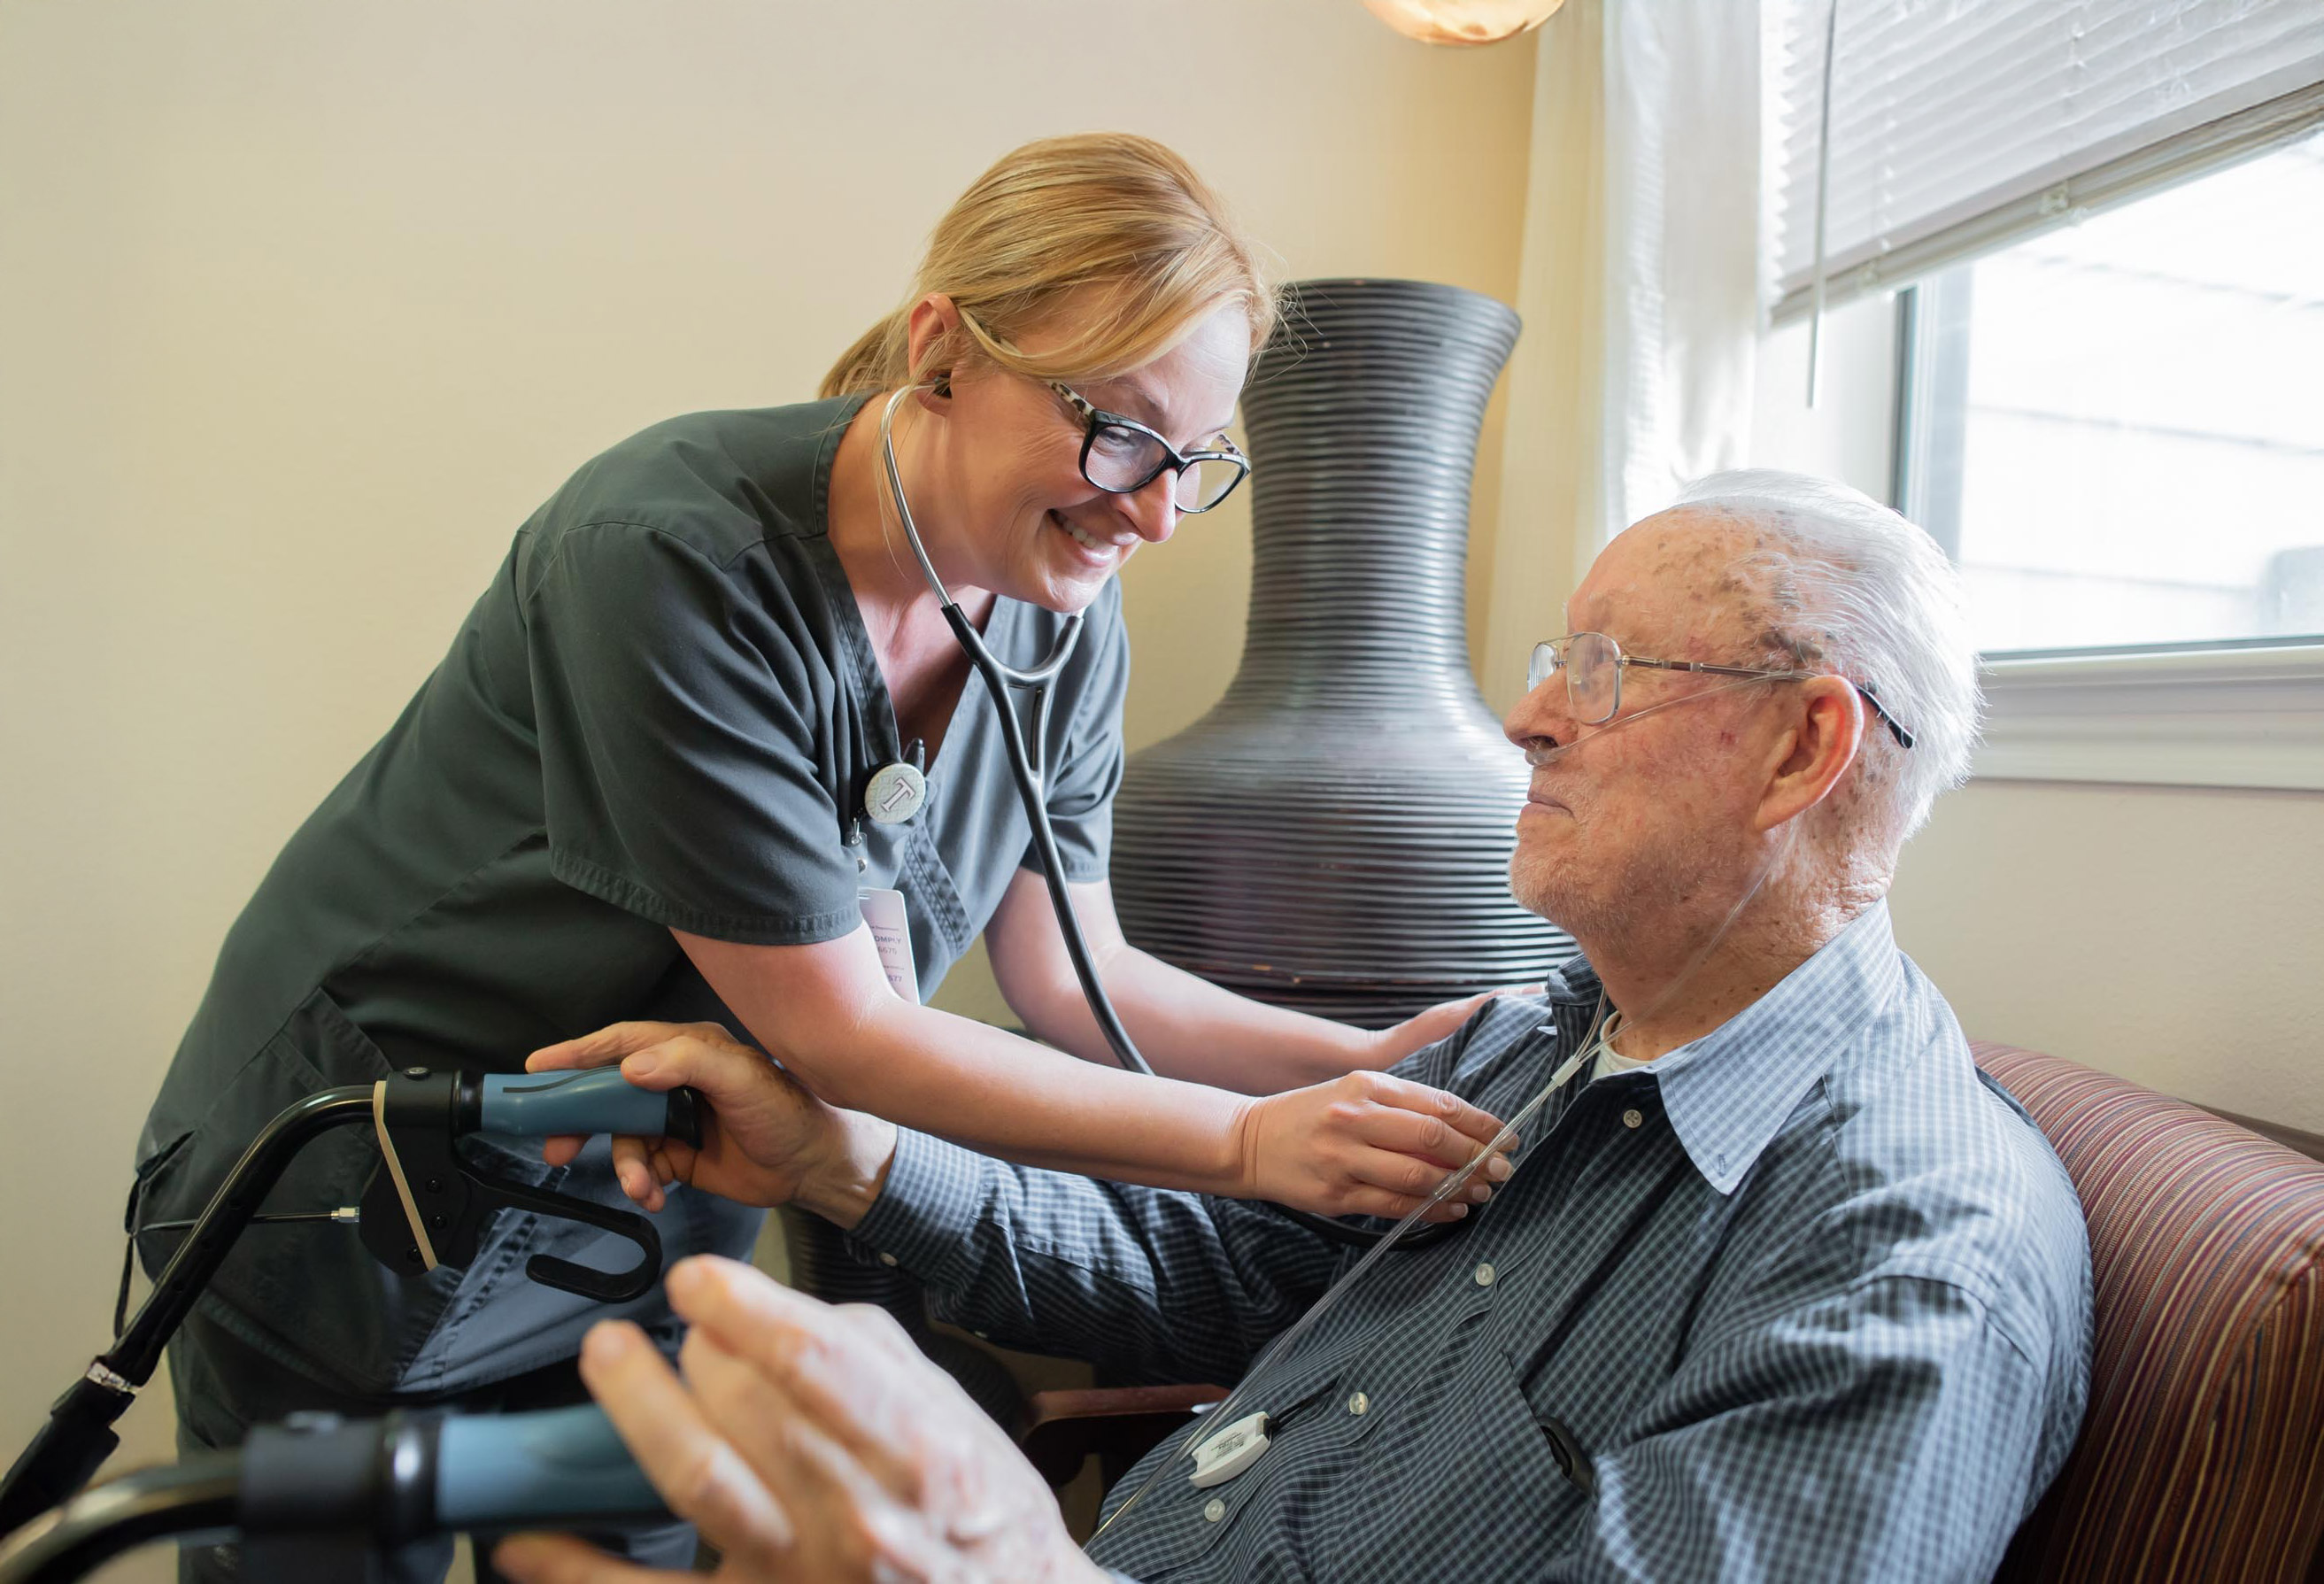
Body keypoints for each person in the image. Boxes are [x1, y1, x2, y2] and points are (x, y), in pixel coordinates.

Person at [127, 133, 1512, 1583]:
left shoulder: (1062, 620)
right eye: (1115, 430)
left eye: (1196, 458)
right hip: (357, 1182)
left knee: (644, 1554)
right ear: (941, 352)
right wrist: (1245, 1146)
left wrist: (1362, 1065)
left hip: (643, 1208)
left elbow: (1076, 973)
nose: (1154, 511)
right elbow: (842, 1034)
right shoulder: (665, 551)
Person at [498, 471, 2096, 1583]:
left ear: (1801, 744)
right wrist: (853, 1158)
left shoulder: (1901, 1253)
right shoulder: (1542, 1047)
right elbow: (1222, 1269)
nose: (1531, 711)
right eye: (1554, 660)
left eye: (1602, 671)